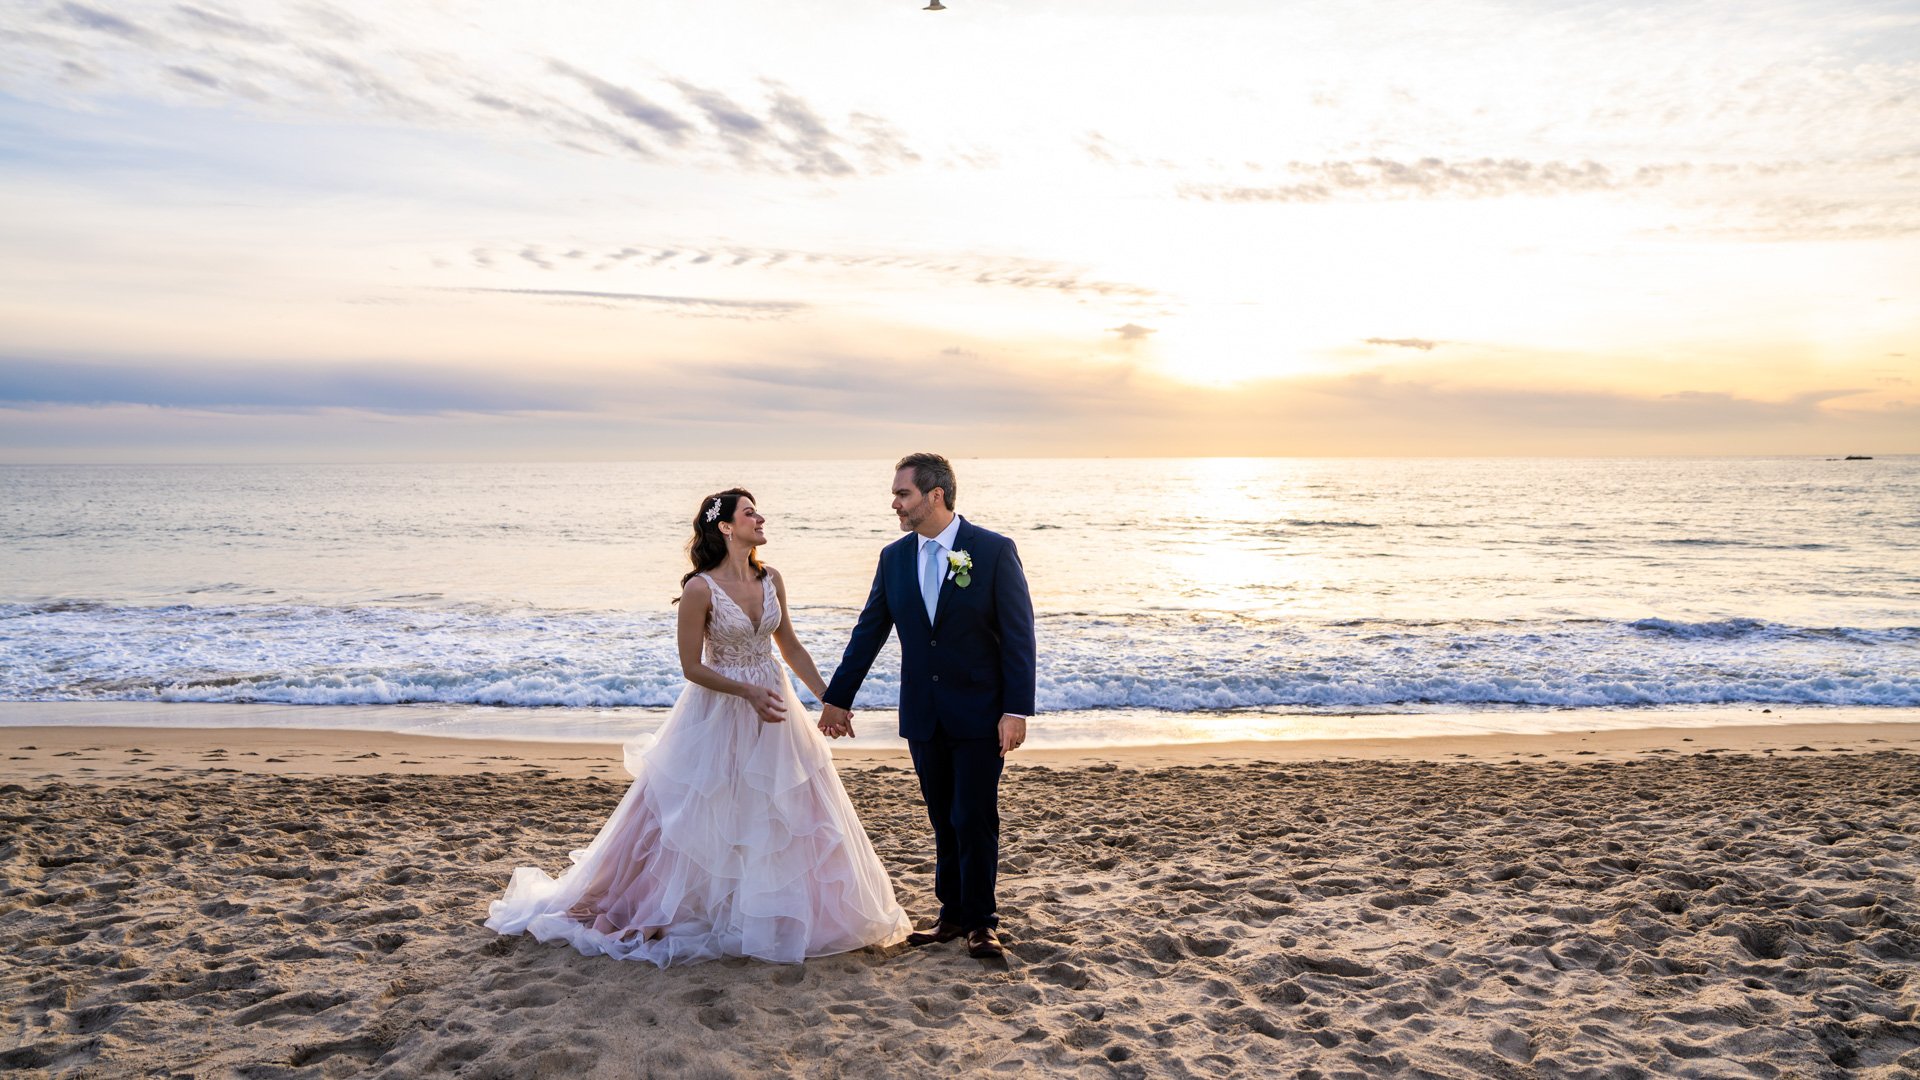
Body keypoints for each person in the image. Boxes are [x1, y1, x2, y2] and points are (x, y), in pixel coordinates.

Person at [484, 488, 910, 966]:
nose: (760, 517)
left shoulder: (771, 578)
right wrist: (746, 691)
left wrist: (830, 698)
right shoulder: (699, 589)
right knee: (704, 807)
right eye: (750, 513)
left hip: (774, 702)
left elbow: (788, 644)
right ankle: (690, 905)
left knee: (779, 806)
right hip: (720, 709)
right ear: (726, 526)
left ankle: (768, 910)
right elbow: (691, 666)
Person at [819, 453, 1036, 960]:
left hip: (982, 712)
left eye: (903, 494)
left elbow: (1019, 636)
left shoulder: (993, 550)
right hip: (923, 711)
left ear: (935, 495)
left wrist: (1016, 709)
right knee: (943, 815)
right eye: (896, 495)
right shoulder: (894, 558)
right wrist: (838, 699)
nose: (895, 504)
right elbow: (869, 631)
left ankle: (982, 921)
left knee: (973, 814)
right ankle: (952, 915)